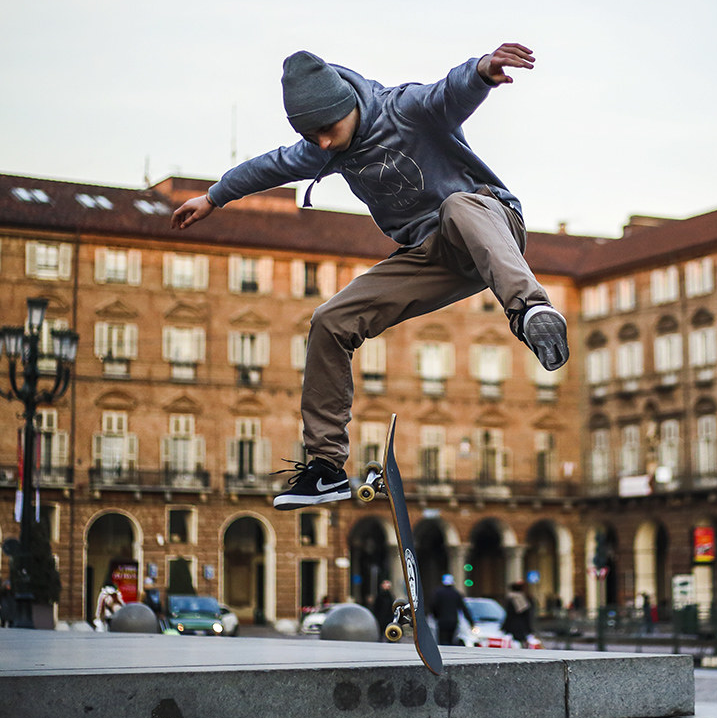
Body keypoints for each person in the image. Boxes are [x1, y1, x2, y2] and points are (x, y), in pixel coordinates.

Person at [170, 43, 569, 511]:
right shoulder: (324, 149)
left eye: (326, 129)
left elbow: (448, 94)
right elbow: (269, 166)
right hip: (430, 256)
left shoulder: (404, 110)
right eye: (310, 135)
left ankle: (531, 310)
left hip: (490, 225)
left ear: (347, 107)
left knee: (457, 205)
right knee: (330, 320)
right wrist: (214, 198)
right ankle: (325, 468)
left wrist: (481, 71)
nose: (321, 143)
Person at [430, 574, 472, 646]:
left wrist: (436, 616)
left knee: (442, 640)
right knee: (451, 640)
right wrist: (471, 621)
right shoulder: (456, 593)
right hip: (453, 621)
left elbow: (433, 606)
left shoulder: (438, 593)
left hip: (442, 621)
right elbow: (463, 608)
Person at [502, 581, 535, 646]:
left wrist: (505, 627)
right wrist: (529, 629)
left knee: (513, 645)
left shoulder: (510, 598)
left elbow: (509, 615)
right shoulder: (525, 598)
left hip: (512, 626)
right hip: (522, 627)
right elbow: (527, 615)